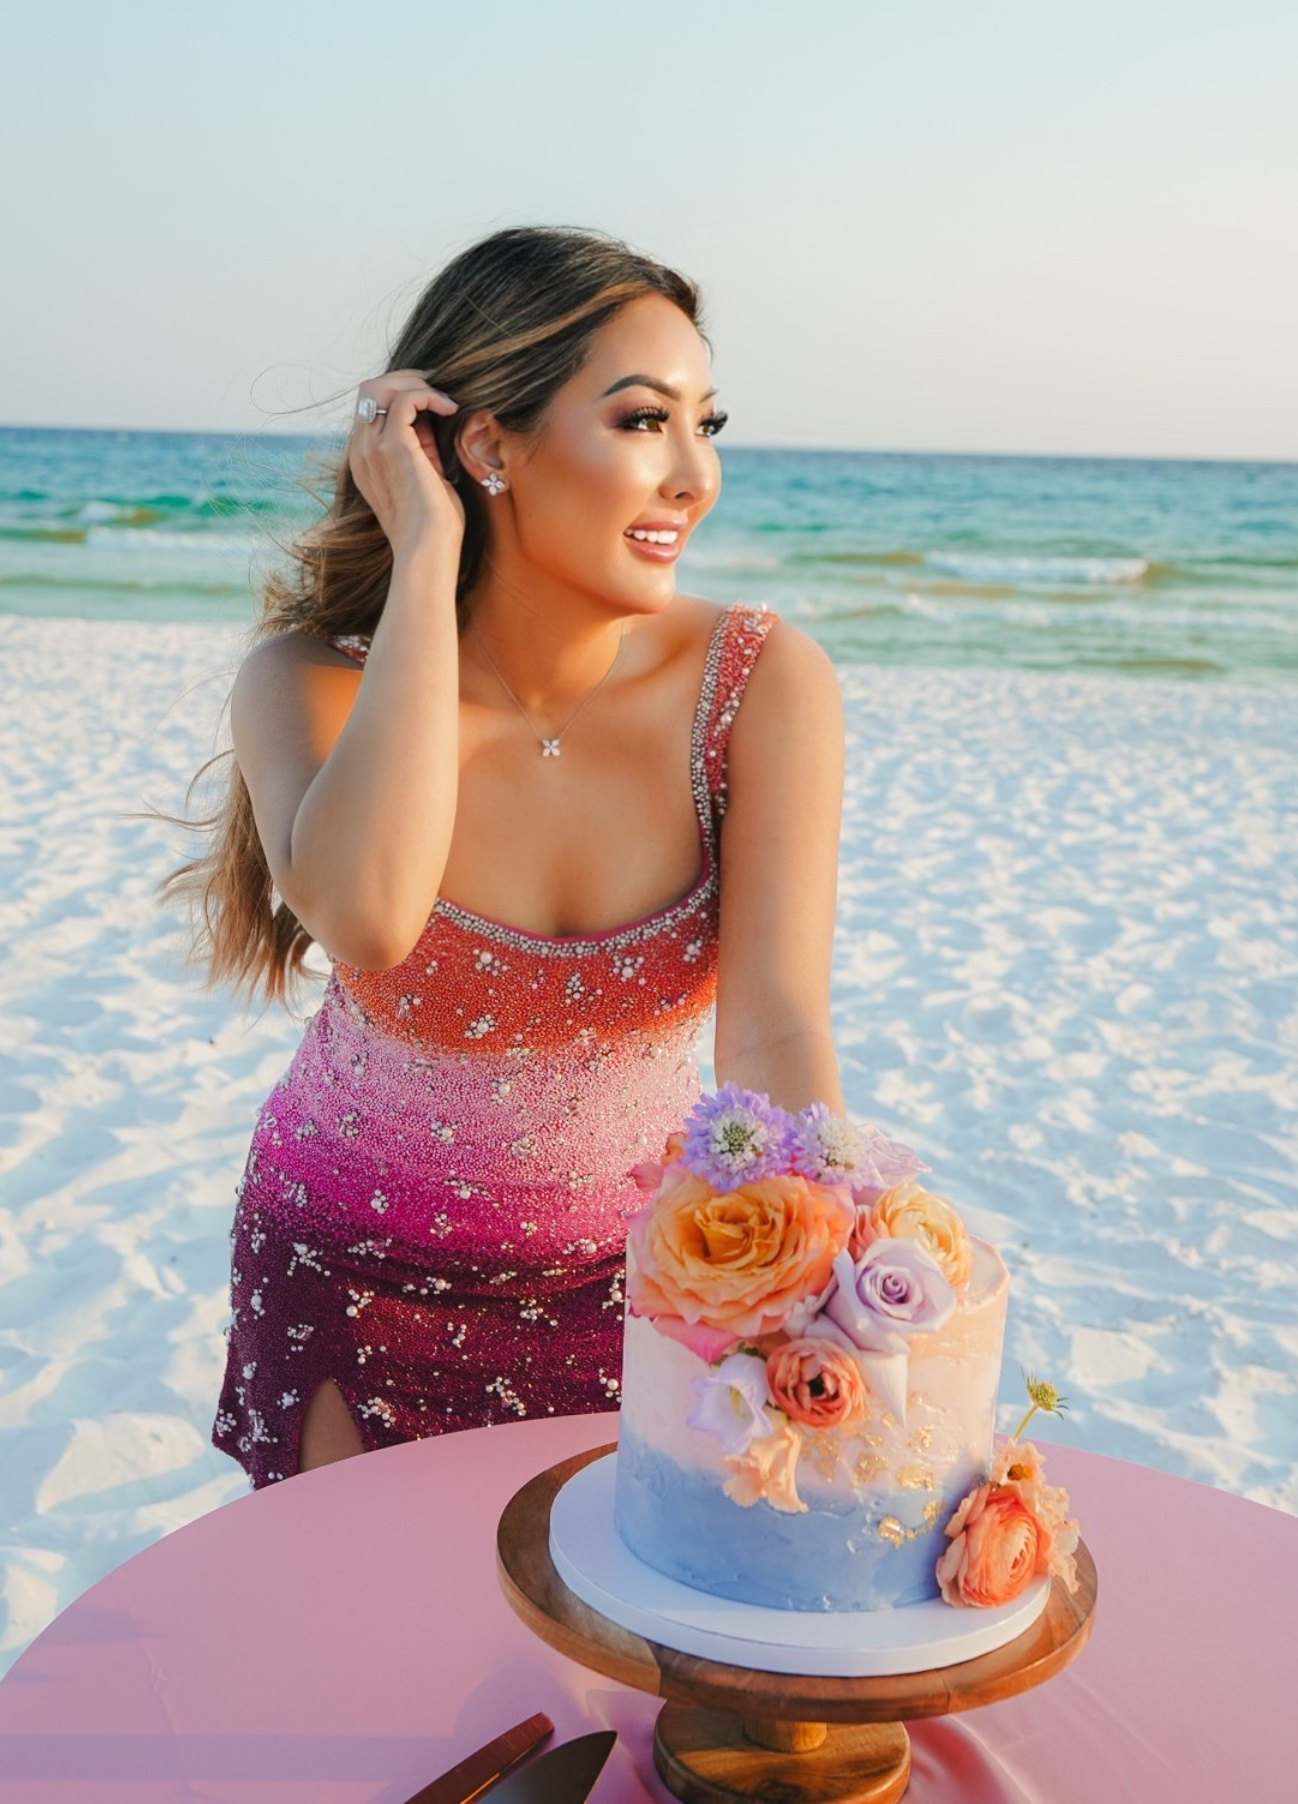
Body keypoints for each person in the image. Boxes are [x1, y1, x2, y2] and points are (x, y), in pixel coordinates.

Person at [166, 225, 845, 1485]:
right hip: (348, 1277)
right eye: (645, 422)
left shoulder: (761, 685)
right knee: (376, 1659)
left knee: (598, 1671)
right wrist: (425, 559)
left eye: (710, 424)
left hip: (638, 1291)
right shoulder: (304, 684)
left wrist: (822, 1268)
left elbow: (777, 1028)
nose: (695, 476)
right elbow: (366, 918)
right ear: (487, 446)